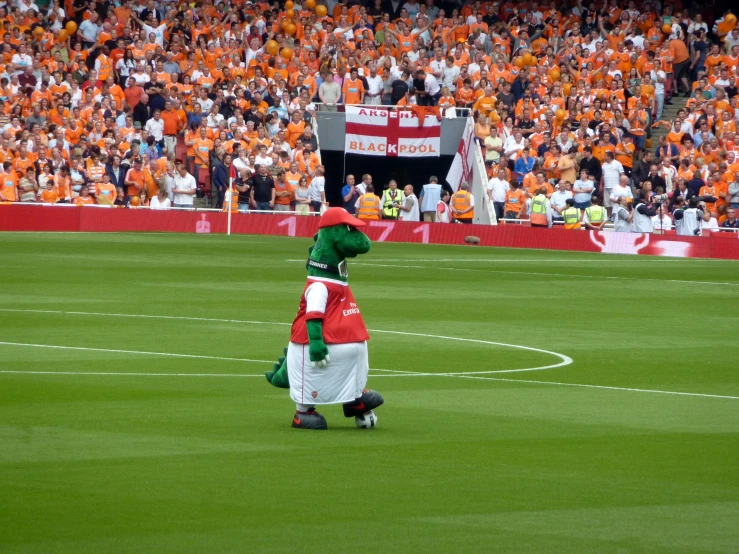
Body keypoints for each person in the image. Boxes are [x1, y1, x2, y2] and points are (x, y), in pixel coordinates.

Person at [601, 151, 625, 216]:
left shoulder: (617, 163)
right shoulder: (604, 165)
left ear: (609, 156)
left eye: (605, 156)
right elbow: (602, 175)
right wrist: (601, 185)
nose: (604, 157)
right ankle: (609, 215)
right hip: (606, 186)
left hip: (615, 186)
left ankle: (615, 215)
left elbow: (622, 174)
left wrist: (622, 184)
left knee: (614, 201)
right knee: (607, 202)